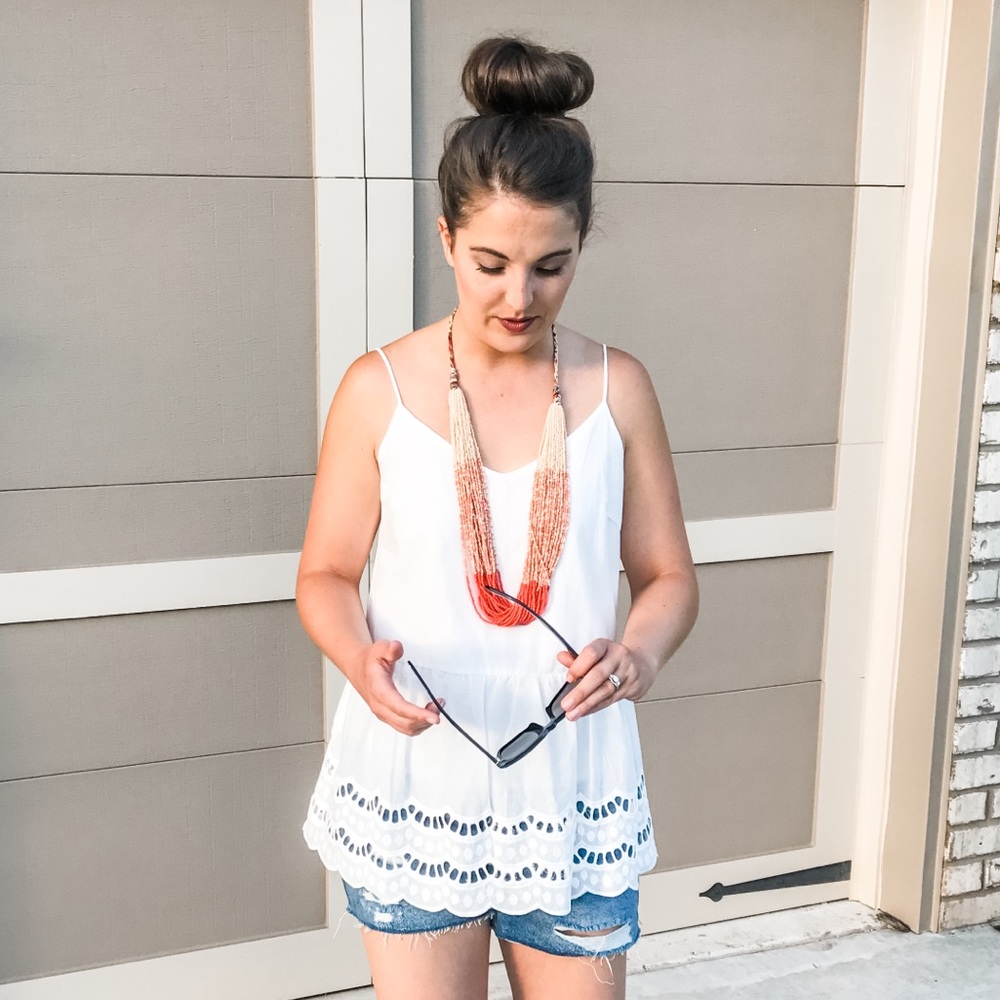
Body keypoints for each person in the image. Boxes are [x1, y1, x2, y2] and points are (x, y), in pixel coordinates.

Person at [298, 35, 698, 1000]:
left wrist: (638, 653)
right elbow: (326, 575)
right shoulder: (377, 388)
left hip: (571, 780)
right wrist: (359, 660)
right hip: (417, 777)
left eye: (551, 268)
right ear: (444, 239)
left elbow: (668, 578)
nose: (519, 298)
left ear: (580, 245)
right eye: (489, 263)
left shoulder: (619, 388)